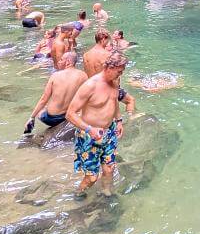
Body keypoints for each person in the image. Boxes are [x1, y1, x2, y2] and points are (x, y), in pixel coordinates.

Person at [66, 51, 129, 197]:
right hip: (89, 136)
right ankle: (78, 195)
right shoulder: (90, 86)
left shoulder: (115, 82)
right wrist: (89, 129)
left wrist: (119, 121)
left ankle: (106, 193)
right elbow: (70, 114)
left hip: (109, 132)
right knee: (92, 178)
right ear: (109, 67)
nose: (120, 75)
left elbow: (114, 101)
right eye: (119, 71)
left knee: (109, 169)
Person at [25, 51, 88, 132]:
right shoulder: (83, 75)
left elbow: (44, 99)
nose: (59, 62)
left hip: (53, 119)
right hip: (70, 117)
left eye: (61, 59)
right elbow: (86, 97)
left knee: (40, 112)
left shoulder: (55, 76)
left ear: (68, 62)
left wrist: (31, 117)